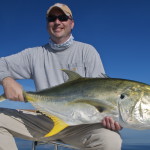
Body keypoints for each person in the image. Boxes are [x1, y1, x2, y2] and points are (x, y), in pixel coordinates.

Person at [0, 3, 122, 150]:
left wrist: (114, 118)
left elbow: (103, 96)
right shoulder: (33, 55)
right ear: (47, 25)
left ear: (72, 23)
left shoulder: (87, 51)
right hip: (44, 121)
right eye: (52, 18)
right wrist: (6, 80)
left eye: (63, 17)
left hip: (82, 126)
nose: (57, 22)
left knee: (111, 141)